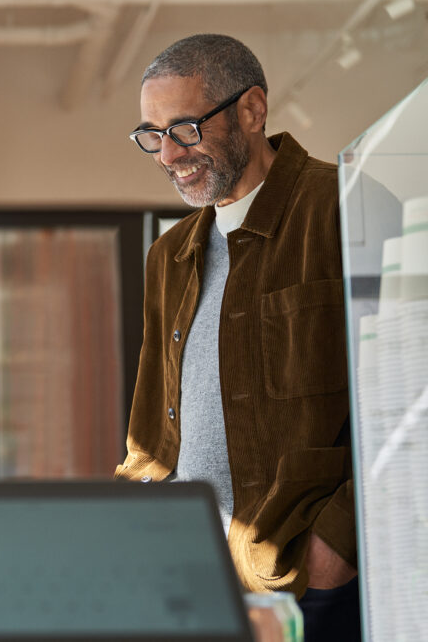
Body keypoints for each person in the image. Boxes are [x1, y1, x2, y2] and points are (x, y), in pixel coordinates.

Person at [115, 34, 360, 641]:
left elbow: (412, 404)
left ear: (252, 110)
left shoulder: (343, 209)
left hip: (305, 583)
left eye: (186, 128)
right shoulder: (168, 255)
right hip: (192, 584)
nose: (169, 154)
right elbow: (151, 430)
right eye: (153, 134)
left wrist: (336, 548)